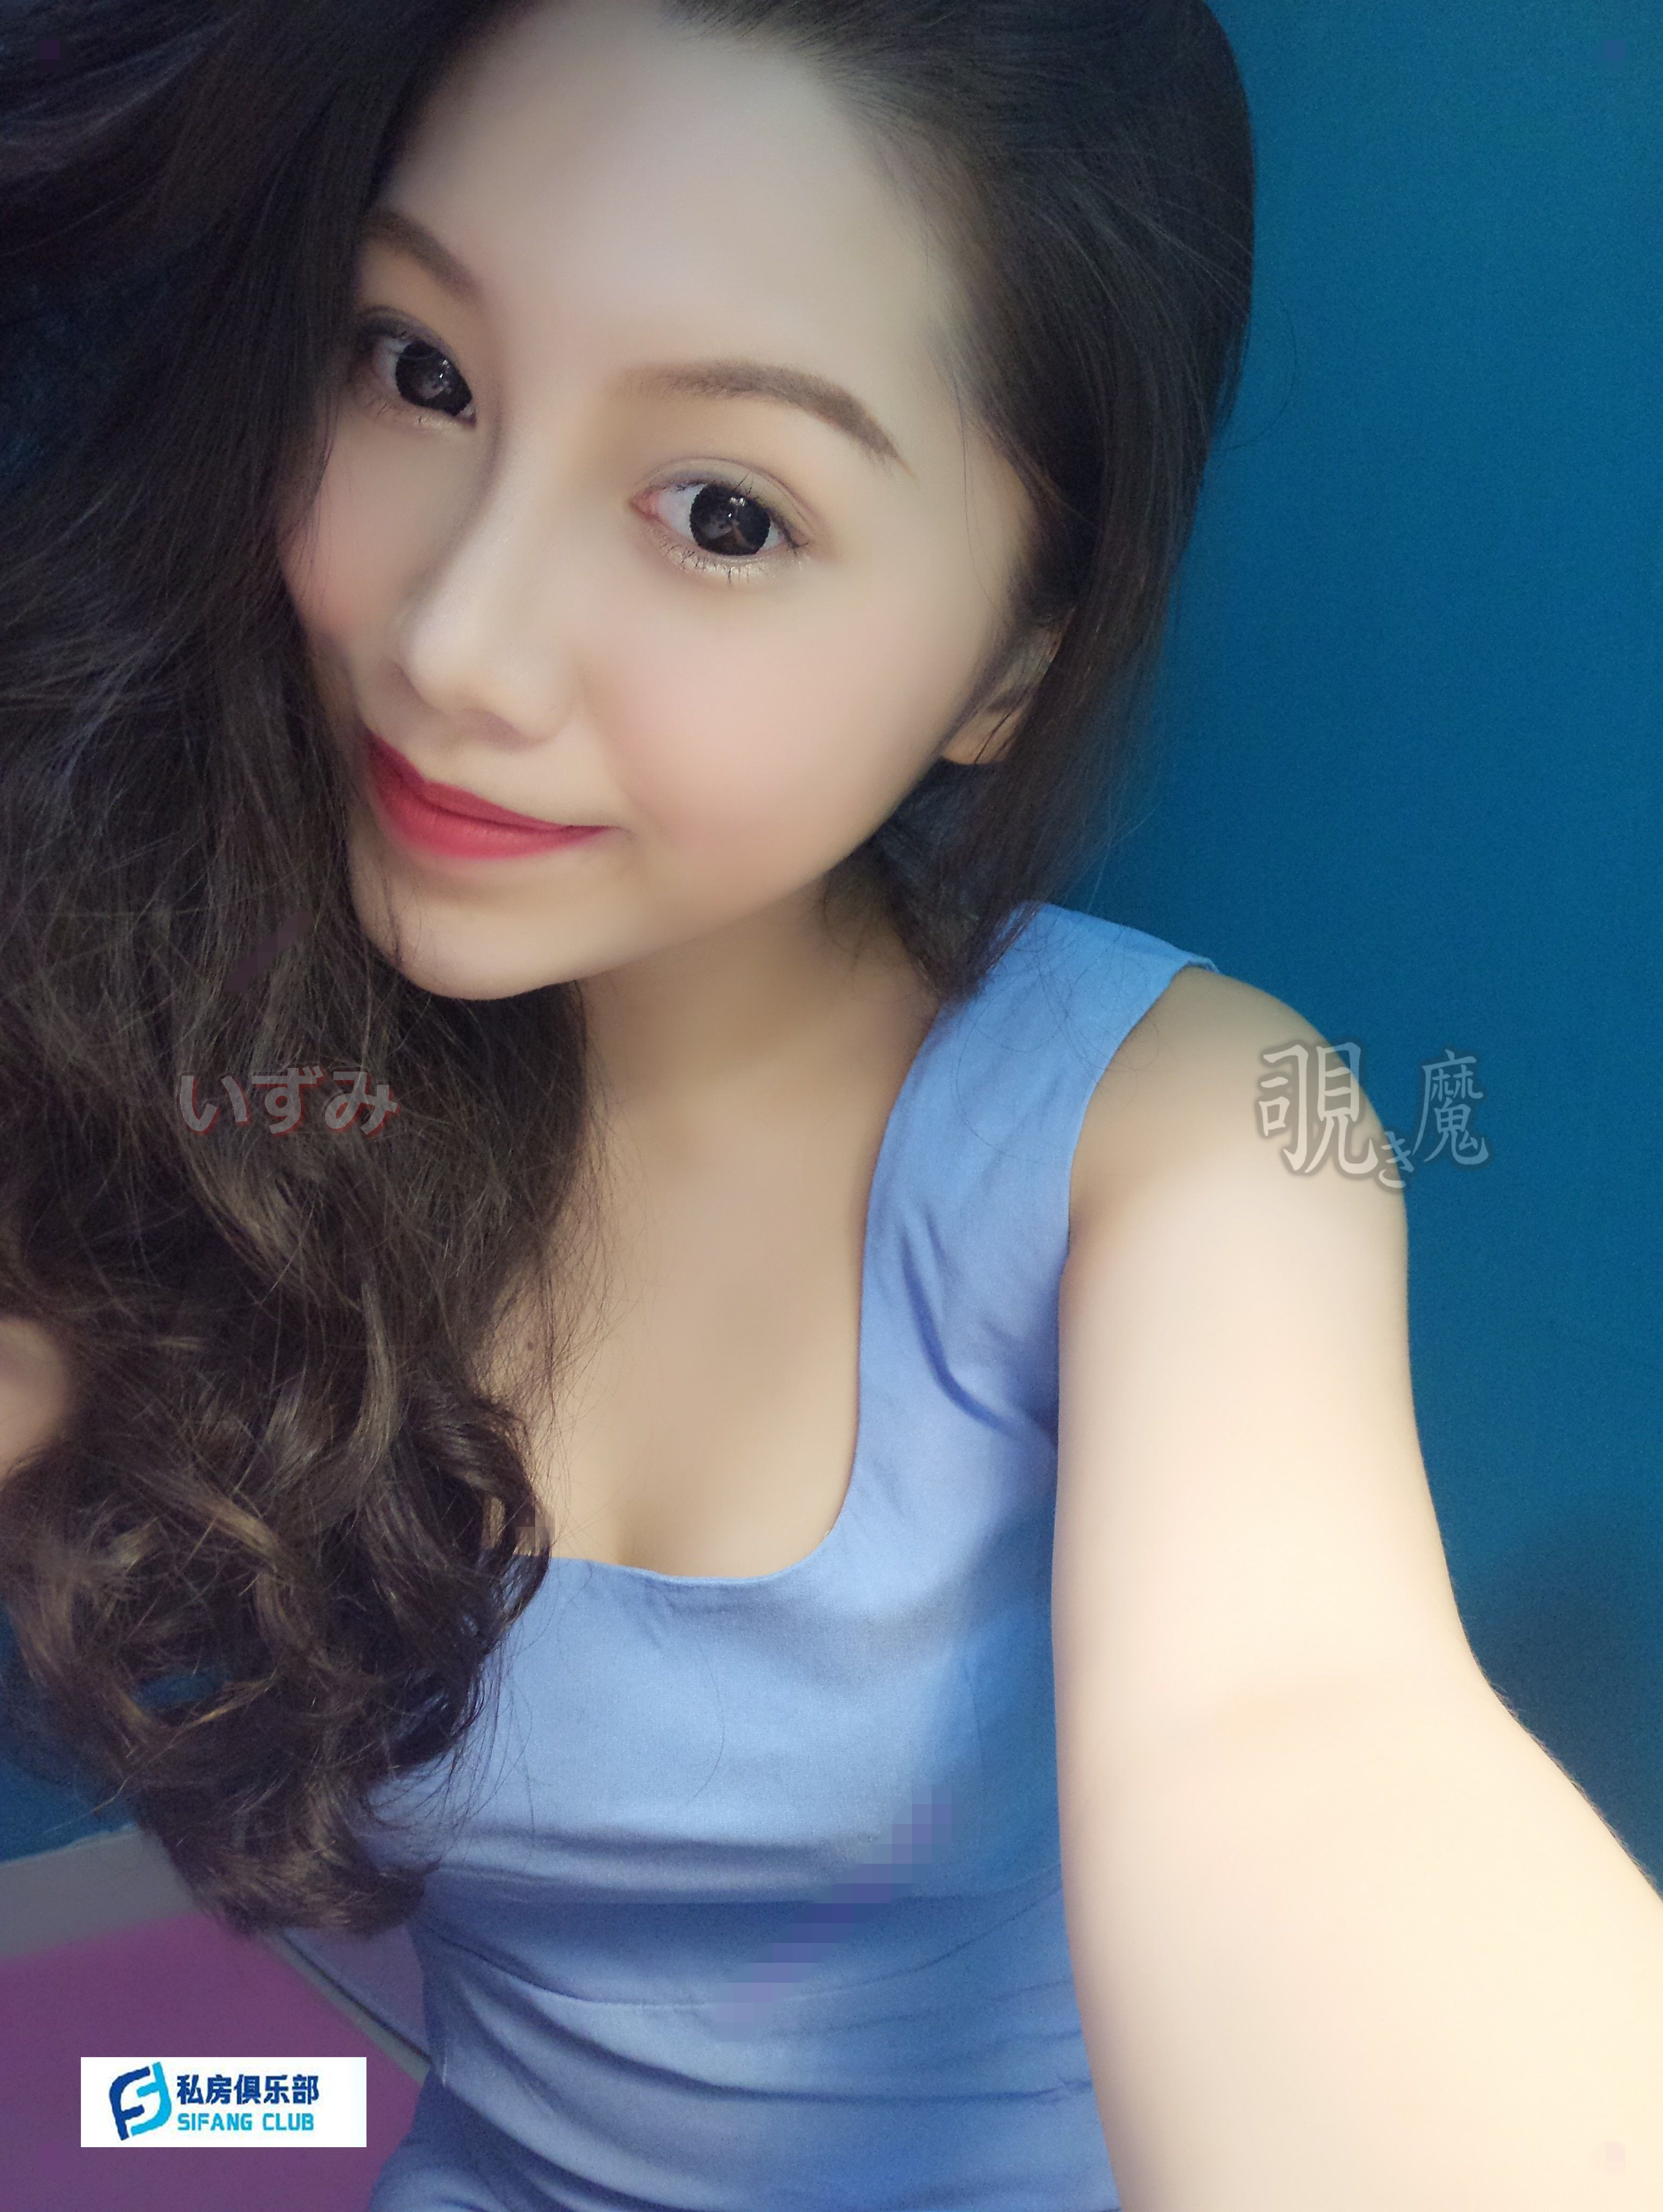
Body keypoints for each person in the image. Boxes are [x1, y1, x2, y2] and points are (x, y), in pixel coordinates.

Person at [2, 2, 1661, 2207]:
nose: (456, 641)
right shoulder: (232, 1076)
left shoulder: (1173, 1142)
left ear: (1013, 659)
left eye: (722, 511)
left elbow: (1308, 1738)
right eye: (421, 371)